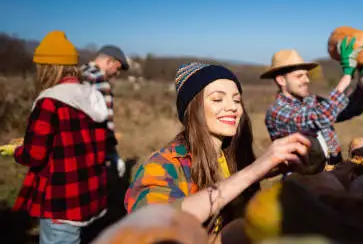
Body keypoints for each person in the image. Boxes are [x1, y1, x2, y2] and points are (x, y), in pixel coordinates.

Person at [124, 61, 310, 232]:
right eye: (217, 99)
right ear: (192, 109)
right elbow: (149, 225)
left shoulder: (233, 158)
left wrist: (267, 171)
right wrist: (252, 172)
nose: (233, 107)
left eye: (237, 100)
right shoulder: (163, 165)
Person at [0, 31, 114, 244]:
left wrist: (18, 151)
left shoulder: (50, 102)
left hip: (61, 203)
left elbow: (34, 155)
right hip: (87, 198)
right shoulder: (92, 97)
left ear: (48, 68)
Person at [261, 38, 363, 166]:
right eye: (299, 76)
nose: (307, 80)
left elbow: (353, 108)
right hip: (302, 181)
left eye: (306, 75)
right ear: (281, 80)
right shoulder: (277, 112)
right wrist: (346, 76)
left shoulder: (311, 101)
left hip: (333, 173)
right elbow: (319, 118)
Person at [81, 45, 129, 177]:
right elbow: (107, 120)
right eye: (117, 68)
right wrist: (111, 150)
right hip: (94, 144)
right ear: (109, 61)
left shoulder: (79, 72)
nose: (116, 73)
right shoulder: (101, 79)